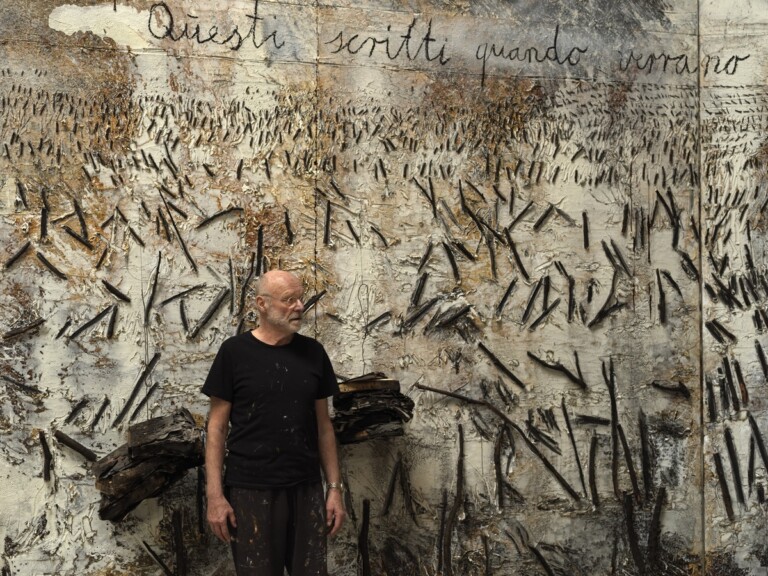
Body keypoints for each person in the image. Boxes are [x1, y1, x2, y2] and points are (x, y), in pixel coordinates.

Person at [202, 269, 346, 576]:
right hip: (250, 489)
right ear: (261, 304)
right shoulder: (234, 352)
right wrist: (215, 496)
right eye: (288, 300)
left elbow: (324, 428)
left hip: (306, 488)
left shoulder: (314, 353)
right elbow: (215, 428)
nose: (299, 306)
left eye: (300, 298)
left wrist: (334, 488)